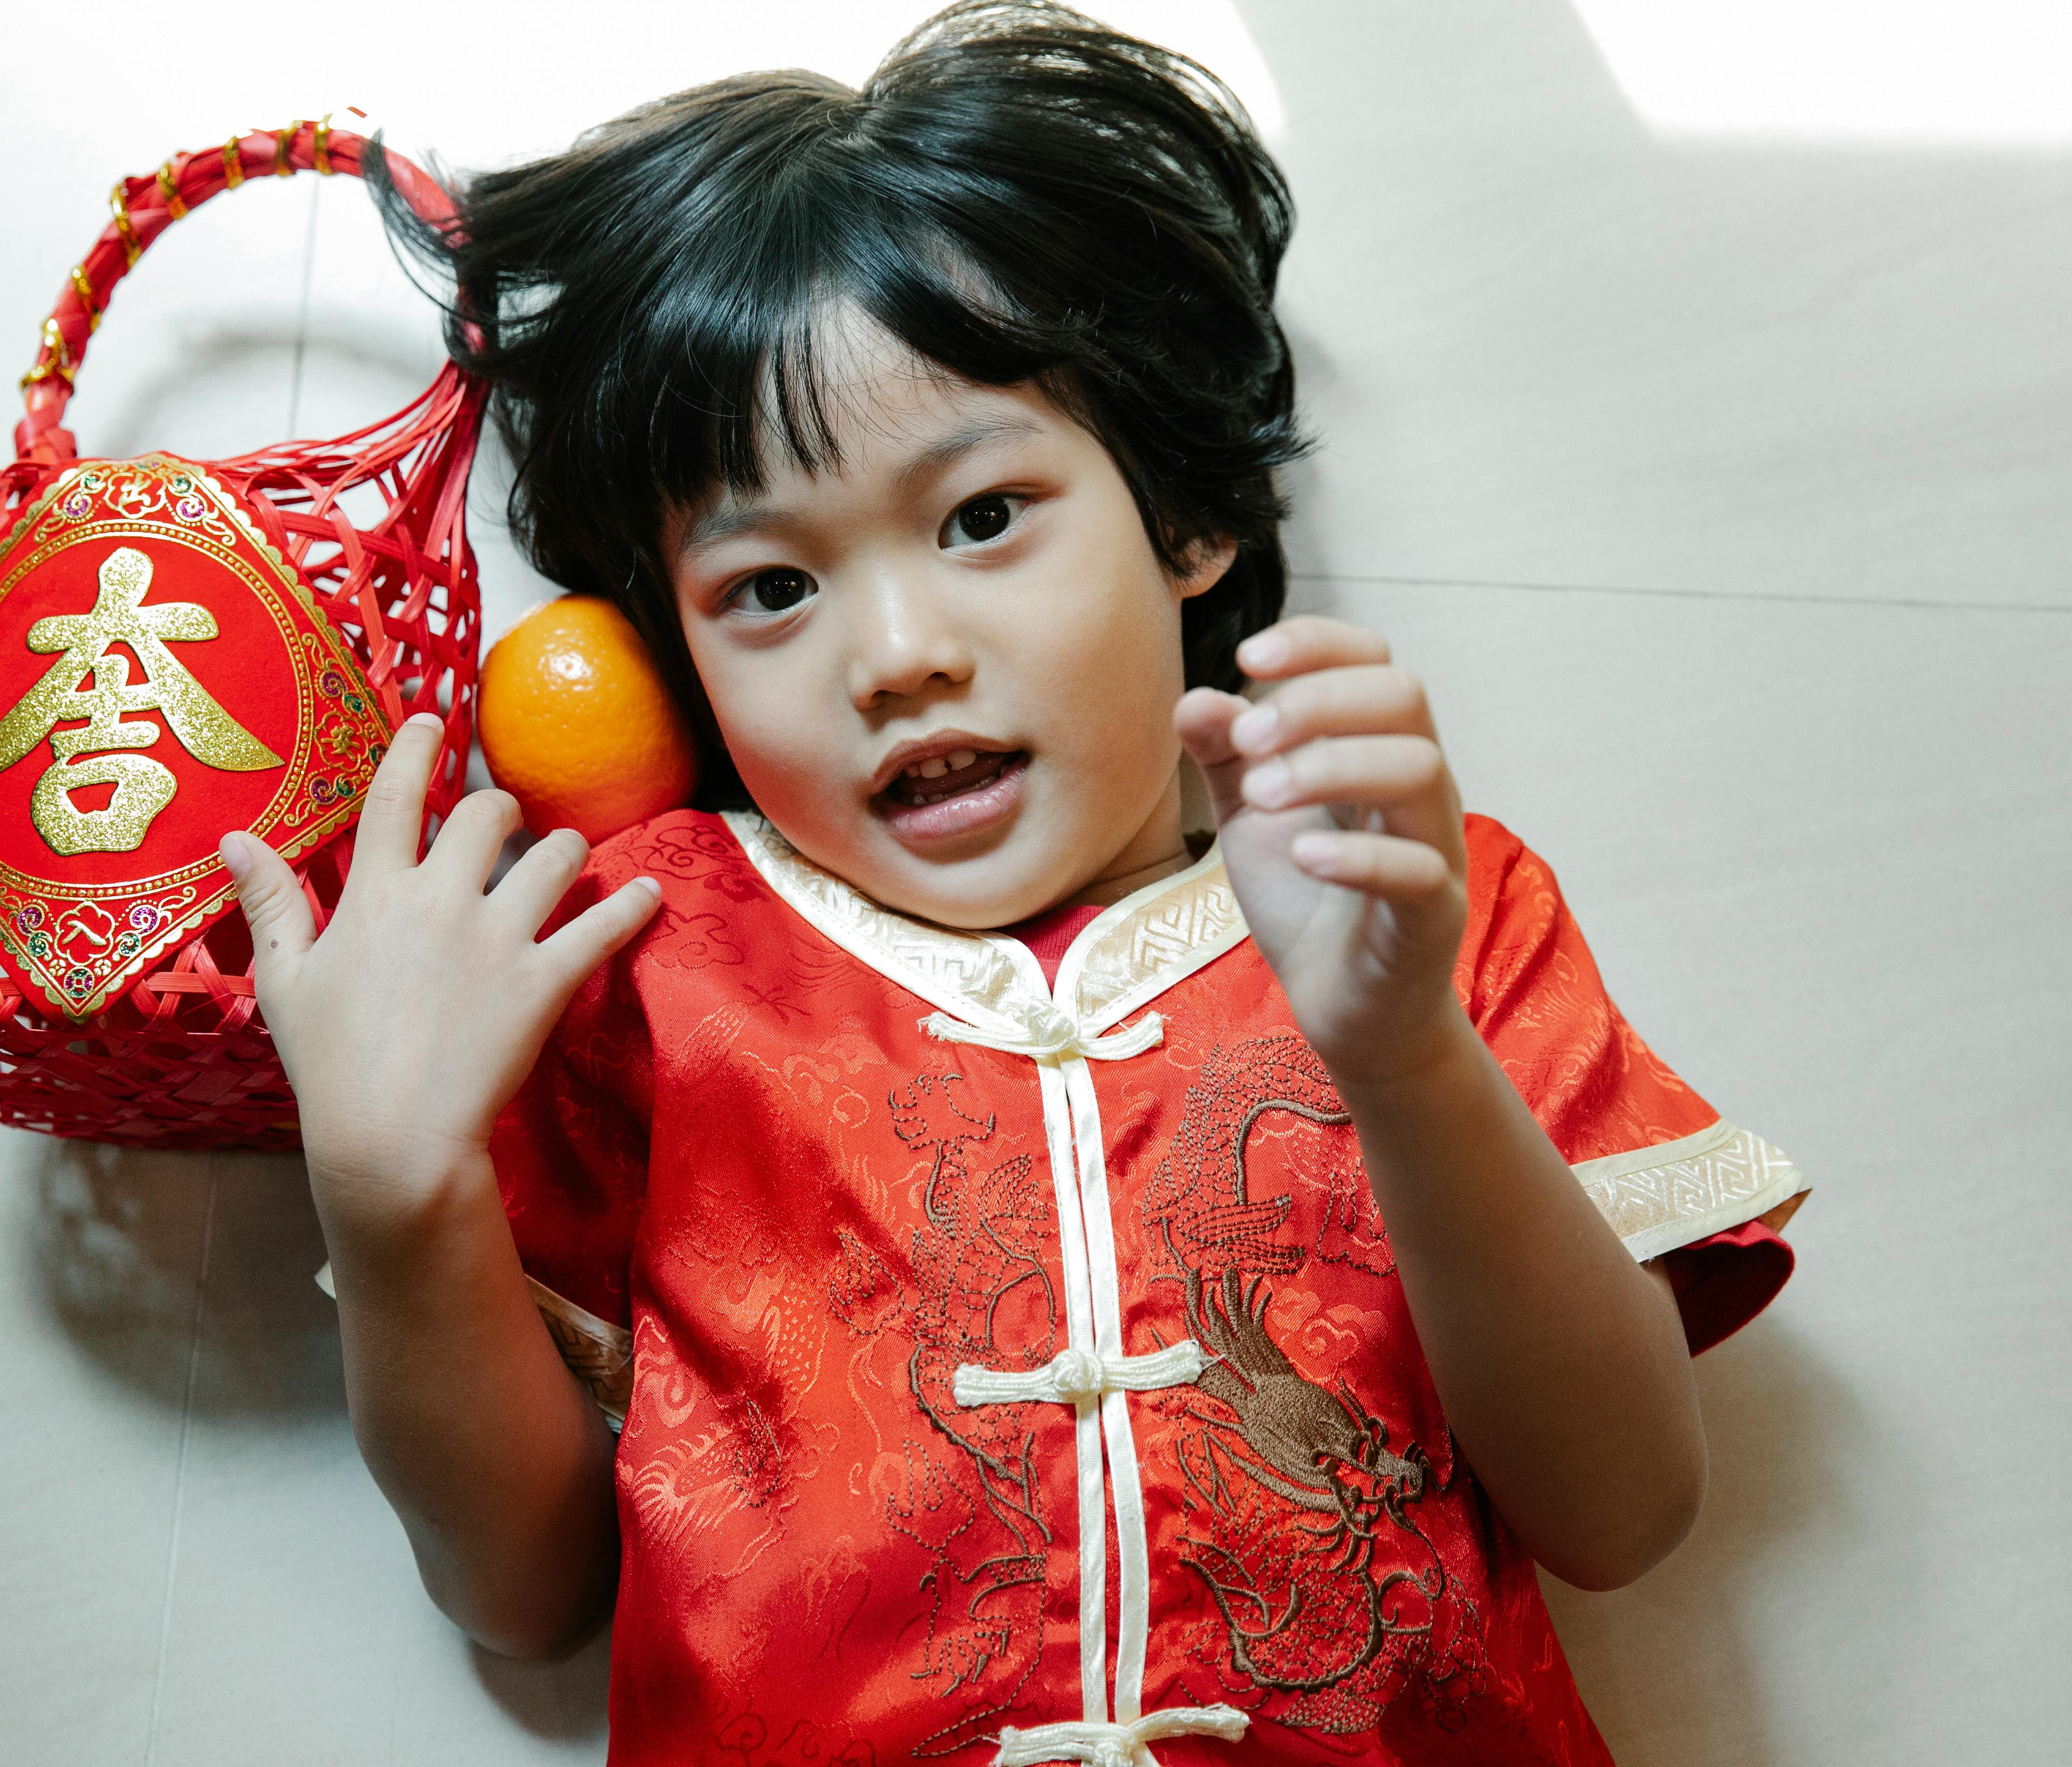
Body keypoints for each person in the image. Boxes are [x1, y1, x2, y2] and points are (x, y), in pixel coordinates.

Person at [217, 5, 1806, 1761]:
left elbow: (1622, 1512)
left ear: (1188, 518)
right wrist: (392, 1195)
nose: (895, 655)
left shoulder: (1423, 903)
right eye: (768, 589)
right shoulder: (645, 961)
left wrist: (1407, 1051)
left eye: (981, 518)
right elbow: (523, 1593)